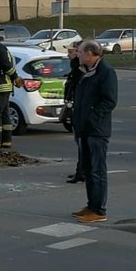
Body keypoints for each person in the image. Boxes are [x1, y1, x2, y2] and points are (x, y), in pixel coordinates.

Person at [71, 39, 118, 224]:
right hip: (83, 129)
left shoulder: (105, 72)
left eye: (81, 52)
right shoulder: (84, 72)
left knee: (97, 170)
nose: (78, 54)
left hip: (97, 130)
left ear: (90, 54)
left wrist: (92, 118)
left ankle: (99, 210)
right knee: (88, 170)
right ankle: (91, 205)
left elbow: (109, 101)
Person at [62, 40, 86, 183]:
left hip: (81, 109)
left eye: (71, 51)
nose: (68, 54)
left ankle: (82, 172)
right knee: (80, 142)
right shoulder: (76, 67)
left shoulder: (80, 69)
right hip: (76, 106)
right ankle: (81, 170)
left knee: (83, 142)